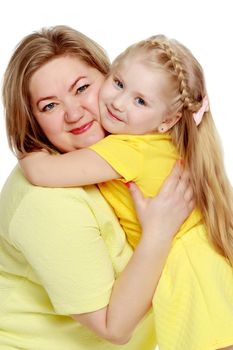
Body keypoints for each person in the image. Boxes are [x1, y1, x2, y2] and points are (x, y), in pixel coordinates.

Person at [20, 33, 233, 350]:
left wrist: (26, 143)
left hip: (189, 273)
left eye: (141, 101)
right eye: (118, 83)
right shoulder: (155, 144)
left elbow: (40, 172)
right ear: (111, 71)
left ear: (168, 120)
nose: (118, 103)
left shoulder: (127, 149)